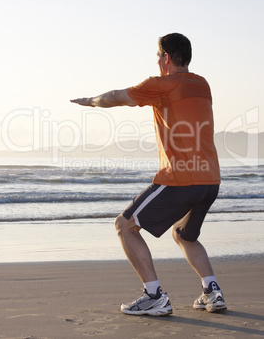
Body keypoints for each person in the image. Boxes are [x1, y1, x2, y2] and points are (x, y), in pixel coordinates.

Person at [71, 33, 227, 316]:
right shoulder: (202, 84)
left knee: (125, 225)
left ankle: (153, 295)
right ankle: (212, 291)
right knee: (184, 235)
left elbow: (117, 97)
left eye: (158, 56)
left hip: (181, 178)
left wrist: (91, 101)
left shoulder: (162, 84)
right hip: (210, 179)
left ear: (166, 57)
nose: (156, 61)